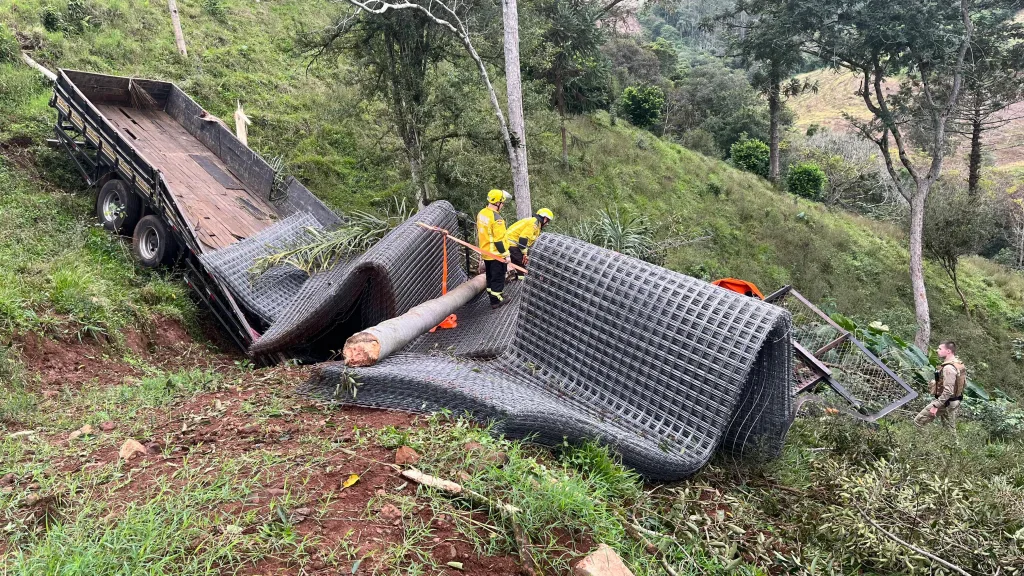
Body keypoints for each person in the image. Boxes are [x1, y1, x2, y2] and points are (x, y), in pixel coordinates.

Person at [914, 341, 967, 429]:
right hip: (953, 401)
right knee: (949, 429)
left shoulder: (948, 368)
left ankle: (924, 442)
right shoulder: (958, 364)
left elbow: (948, 391)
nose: (937, 350)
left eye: (940, 349)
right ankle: (950, 443)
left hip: (946, 401)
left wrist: (935, 405)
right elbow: (963, 384)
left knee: (918, 421)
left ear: (948, 351)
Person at [477, 189, 509, 309]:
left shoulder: (482, 213)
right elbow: (499, 240)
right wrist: (506, 255)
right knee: (498, 277)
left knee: (490, 276)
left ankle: (492, 296)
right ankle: (496, 300)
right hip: (496, 255)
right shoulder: (497, 219)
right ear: (497, 203)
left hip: (486, 253)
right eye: (503, 202)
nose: (503, 205)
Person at [504, 208, 553, 280]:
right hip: (511, 243)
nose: (547, 224)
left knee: (521, 264)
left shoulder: (537, 224)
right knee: (523, 264)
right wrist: (525, 254)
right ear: (545, 218)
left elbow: (529, 241)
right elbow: (523, 239)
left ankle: (515, 276)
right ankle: (517, 279)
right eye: (548, 221)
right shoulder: (534, 223)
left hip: (513, 243)